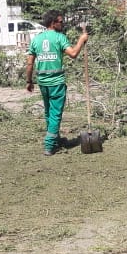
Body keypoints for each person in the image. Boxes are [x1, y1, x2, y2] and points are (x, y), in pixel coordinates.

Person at [25, 10, 89, 156]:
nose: (63, 23)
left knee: (49, 112)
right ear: (53, 23)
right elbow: (73, 54)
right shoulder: (60, 38)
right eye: (60, 21)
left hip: (43, 82)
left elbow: (29, 64)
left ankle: (56, 140)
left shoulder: (36, 39)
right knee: (55, 114)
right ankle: (49, 145)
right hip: (56, 82)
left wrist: (29, 81)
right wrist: (81, 39)